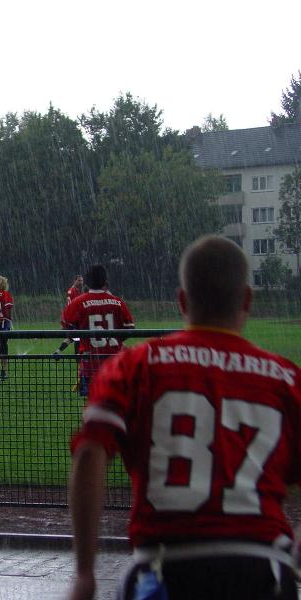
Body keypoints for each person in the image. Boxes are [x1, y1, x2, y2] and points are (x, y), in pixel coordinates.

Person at [67, 235, 301, 600]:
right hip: (261, 570)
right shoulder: (286, 379)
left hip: (168, 565)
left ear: (182, 300)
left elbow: (90, 454)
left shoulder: (136, 366)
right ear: (247, 300)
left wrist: (84, 573)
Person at [55, 265, 134, 395]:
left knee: (93, 401)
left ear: (86, 283)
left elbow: (67, 327)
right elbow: (130, 328)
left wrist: (84, 334)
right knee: (116, 400)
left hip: (90, 364)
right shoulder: (118, 302)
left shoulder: (77, 303)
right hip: (114, 362)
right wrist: (116, 339)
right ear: (106, 282)